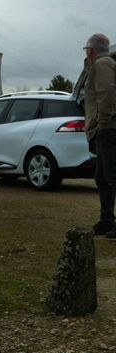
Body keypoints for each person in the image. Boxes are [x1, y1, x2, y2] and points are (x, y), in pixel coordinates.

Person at [84, 33, 116, 238]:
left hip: (108, 128)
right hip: (104, 128)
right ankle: (106, 220)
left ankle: (108, 220)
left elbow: (106, 93)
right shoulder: (104, 63)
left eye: (86, 49)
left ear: (91, 50)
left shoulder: (102, 64)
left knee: (112, 176)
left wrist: (103, 124)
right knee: (102, 177)